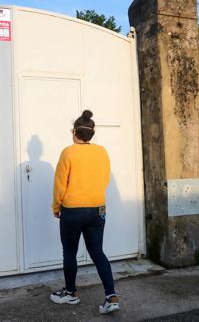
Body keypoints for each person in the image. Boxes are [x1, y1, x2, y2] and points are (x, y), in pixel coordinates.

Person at [49, 110, 120, 314]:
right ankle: (111, 296)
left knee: (70, 252)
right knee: (98, 252)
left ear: (74, 132)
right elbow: (104, 179)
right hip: (97, 209)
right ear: (92, 133)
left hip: (72, 210)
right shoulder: (102, 152)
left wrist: (56, 207)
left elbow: (60, 185)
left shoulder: (68, 152)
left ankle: (70, 293)